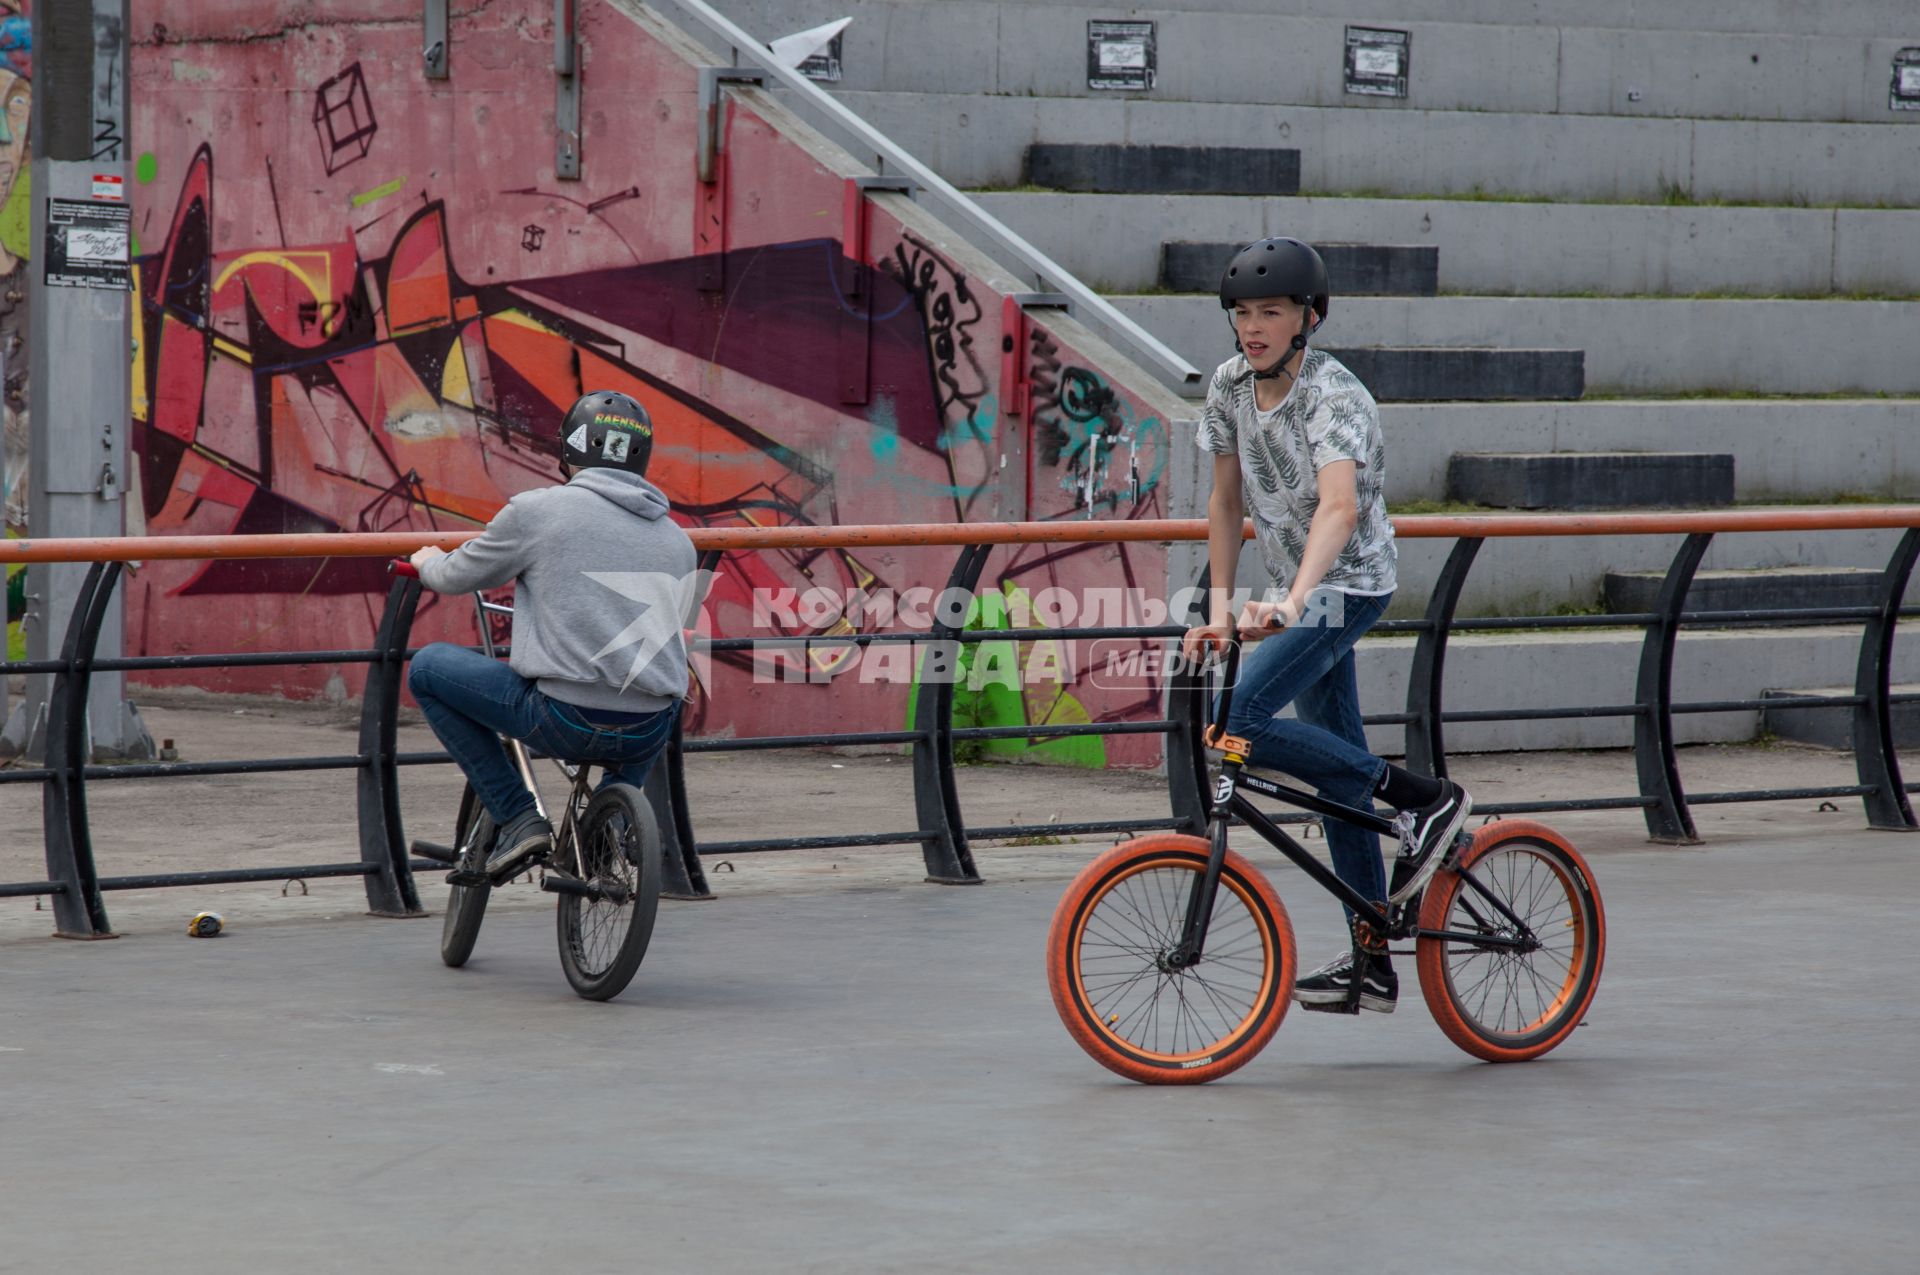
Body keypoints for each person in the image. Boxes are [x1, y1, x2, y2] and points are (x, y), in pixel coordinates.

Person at [1180, 237, 1472, 1015]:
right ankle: (1372, 960)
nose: (1253, 326)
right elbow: (1224, 503)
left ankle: (1417, 797)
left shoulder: (1334, 396)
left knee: (1237, 719)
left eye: (1270, 311)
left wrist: (1292, 598)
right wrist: (1217, 610)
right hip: (1293, 586)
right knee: (1335, 773)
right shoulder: (1229, 387)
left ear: (1308, 317)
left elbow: (1339, 508)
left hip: (1347, 583)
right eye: (1241, 312)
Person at [407, 390, 697, 885]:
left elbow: (455, 576)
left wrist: (425, 560)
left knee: (429, 668)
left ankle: (519, 816)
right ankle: (614, 822)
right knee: (655, 704)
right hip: (651, 724)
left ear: (570, 451)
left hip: (565, 718)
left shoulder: (538, 512)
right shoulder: (678, 540)